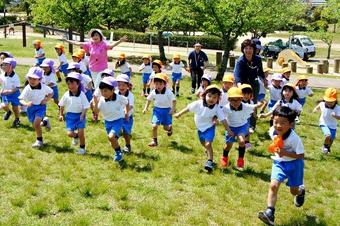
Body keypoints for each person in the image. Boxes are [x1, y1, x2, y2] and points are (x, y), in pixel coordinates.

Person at [258, 106, 305, 226]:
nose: (278, 125)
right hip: (279, 162)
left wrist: (285, 153)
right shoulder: (272, 131)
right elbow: (275, 139)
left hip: (295, 164)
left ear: (291, 124)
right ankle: (270, 213)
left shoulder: (295, 139)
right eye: (276, 122)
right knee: (273, 185)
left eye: (283, 123)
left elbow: (301, 155)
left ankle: (300, 191)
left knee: (293, 191)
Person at [175, 84, 232, 172]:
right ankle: (207, 150)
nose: (211, 99)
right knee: (203, 144)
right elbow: (188, 108)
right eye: (209, 96)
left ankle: (210, 162)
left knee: (208, 144)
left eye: (214, 97)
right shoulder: (198, 103)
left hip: (209, 127)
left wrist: (228, 130)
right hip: (200, 128)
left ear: (218, 99)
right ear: (204, 95)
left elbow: (223, 119)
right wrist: (179, 113)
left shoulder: (217, 108)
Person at [220, 87, 261, 169]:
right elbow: (222, 119)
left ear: (241, 99)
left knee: (242, 141)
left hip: (242, 126)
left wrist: (259, 104)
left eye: (238, 99)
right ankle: (224, 157)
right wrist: (228, 130)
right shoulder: (226, 108)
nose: (235, 102)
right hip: (230, 127)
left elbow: (254, 106)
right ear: (228, 99)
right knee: (228, 145)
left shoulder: (245, 106)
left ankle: (240, 159)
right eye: (233, 100)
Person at [94, 77, 129, 162]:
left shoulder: (119, 98)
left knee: (110, 137)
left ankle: (118, 153)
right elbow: (96, 111)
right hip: (107, 122)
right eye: (101, 91)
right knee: (112, 141)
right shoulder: (101, 100)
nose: (103, 93)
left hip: (118, 120)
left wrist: (126, 112)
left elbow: (127, 102)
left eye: (105, 91)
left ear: (113, 90)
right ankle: (117, 135)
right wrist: (95, 103)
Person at [19, 67, 53, 148]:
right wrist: (26, 103)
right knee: (35, 125)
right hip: (31, 108)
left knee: (36, 123)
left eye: (34, 79)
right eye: (30, 78)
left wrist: (46, 99)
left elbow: (51, 92)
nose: (32, 81)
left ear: (40, 79)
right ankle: (45, 122)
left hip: (41, 107)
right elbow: (20, 99)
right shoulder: (27, 88)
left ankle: (39, 141)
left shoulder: (44, 87)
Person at [58, 72, 90, 155]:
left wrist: (83, 114)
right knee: (69, 134)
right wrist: (61, 114)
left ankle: (82, 148)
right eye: (68, 83)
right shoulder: (66, 94)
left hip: (80, 116)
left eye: (72, 83)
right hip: (70, 117)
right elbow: (61, 105)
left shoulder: (82, 94)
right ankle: (76, 136)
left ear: (78, 84)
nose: (70, 85)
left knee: (81, 133)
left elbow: (86, 106)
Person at [142, 73, 176, 147]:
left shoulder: (168, 92)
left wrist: (173, 109)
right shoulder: (153, 92)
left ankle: (169, 128)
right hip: (157, 111)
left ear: (165, 84)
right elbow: (148, 100)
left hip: (167, 111)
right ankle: (154, 141)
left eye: (160, 84)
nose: (158, 86)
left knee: (165, 127)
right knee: (154, 126)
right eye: (156, 84)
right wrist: (145, 108)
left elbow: (174, 100)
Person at [234, 39, 265, 103]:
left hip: (254, 83)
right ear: (243, 49)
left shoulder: (258, 59)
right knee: (243, 103)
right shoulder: (240, 61)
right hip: (243, 84)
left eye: (250, 48)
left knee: (253, 103)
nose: (248, 50)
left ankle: (254, 113)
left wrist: (264, 81)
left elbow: (260, 72)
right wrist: (240, 87)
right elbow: (237, 76)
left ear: (254, 49)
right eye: (246, 48)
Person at [313, 88, 340, 154]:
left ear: (335, 100)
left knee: (331, 139)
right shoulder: (322, 104)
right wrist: (315, 109)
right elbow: (319, 105)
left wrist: (335, 116)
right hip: (323, 123)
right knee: (328, 135)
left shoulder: (337, 108)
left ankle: (328, 148)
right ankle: (324, 146)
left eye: (331, 102)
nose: (329, 103)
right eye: (327, 101)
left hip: (333, 126)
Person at [116, 74, 134, 153]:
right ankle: (116, 136)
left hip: (127, 118)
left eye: (123, 85)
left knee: (126, 133)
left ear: (128, 86)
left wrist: (125, 112)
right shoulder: (116, 93)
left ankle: (127, 145)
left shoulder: (130, 95)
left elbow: (130, 106)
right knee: (116, 129)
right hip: (117, 117)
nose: (121, 87)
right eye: (119, 85)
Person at [0, 57, 21, 127]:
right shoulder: (2, 75)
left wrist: (9, 91)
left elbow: (17, 88)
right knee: (4, 106)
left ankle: (17, 119)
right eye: (3, 64)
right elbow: (1, 82)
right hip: (4, 93)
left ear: (11, 66)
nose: (3, 66)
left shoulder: (15, 77)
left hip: (14, 94)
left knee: (15, 108)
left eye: (5, 64)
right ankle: (8, 112)